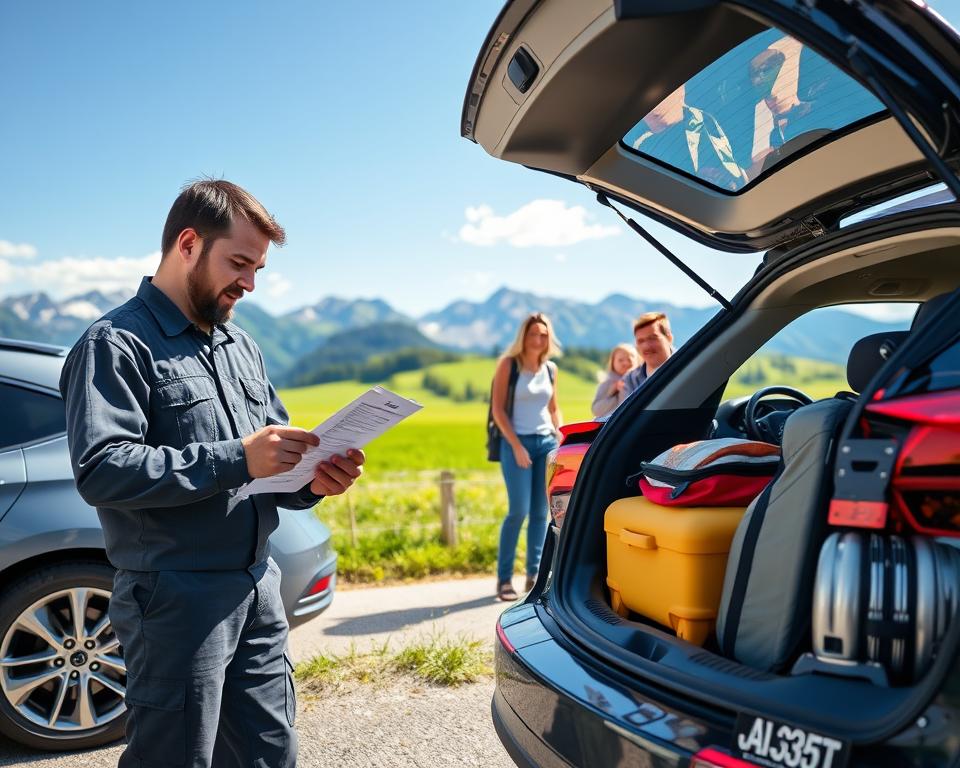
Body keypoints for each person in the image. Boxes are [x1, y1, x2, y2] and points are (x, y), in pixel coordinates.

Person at [59, 179, 365, 768]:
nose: (249, 283)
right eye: (240, 263)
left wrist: (312, 480)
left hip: (258, 588)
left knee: (269, 757)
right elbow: (102, 469)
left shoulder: (241, 347)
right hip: (175, 601)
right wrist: (237, 458)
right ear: (189, 244)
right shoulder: (116, 344)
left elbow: (272, 461)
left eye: (258, 269)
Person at [490, 312, 562, 601]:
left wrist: (560, 435)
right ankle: (504, 579)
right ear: (524, 336)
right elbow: (498, 411)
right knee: (517, 510)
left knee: (540, 513)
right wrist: (517, 446)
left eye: (543, 334)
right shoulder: (509, 365)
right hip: (515, 443)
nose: (539, 339)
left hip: (545, 443)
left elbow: (554, 408)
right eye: (534, 333)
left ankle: (534, 575)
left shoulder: (551, 369)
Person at [622, 311, 675, 396]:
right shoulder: (631, 380)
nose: (646, 346)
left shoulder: (689, 365)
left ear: (669, 338)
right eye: (641, 341)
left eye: (653, 338)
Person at [591, 343, 639, 418]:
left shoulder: (640, 381)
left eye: (630, 359)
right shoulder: (607, 384)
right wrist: (612, 394)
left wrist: (624, 390)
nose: (625, 363)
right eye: (620, 360)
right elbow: (596, 410)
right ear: (613, 363)